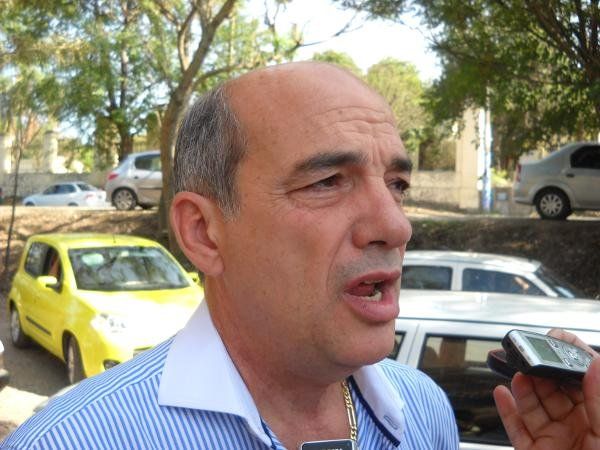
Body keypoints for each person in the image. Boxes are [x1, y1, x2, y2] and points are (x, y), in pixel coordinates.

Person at [2, 62, 599, 450]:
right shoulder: (72, 441)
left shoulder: (424, 412)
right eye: (327, 182)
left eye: (397, 184)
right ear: (204, 233)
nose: (397, 225)